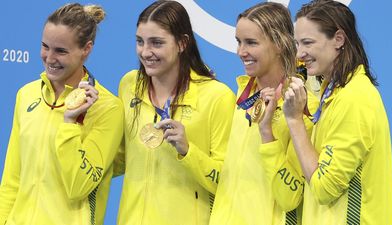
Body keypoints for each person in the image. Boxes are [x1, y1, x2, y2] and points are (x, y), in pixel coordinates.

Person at [0, 3, 124, 225]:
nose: (49, 57)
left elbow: (79, 185)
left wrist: (70, 122)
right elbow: (12, 179)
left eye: (61, 51)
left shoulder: (108, 109)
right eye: (45, 46)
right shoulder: (26, 95)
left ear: (86, 49)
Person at [114, 1, 236, 225]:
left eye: (157, 43)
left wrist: (188, 151)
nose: (145, 52)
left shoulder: (217, 97)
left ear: (182, 43)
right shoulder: (129, 84)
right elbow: (120, 158)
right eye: (140, 41)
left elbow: (227, 182)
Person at [283, 0, 392, 224]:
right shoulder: (333, 94)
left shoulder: (354, 98)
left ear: (338, 39)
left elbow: (324, 188)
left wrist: (294, 121)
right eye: (297, 44)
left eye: (307, 43)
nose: (299, 54)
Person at [209, 2, 318, 225]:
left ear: (279, 44)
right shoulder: (242, 94)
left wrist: (266, 134)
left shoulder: (303, 106)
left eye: (251, 43)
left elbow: (290, 197)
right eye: (238, 42)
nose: (241, 52)